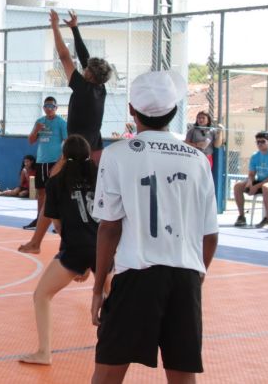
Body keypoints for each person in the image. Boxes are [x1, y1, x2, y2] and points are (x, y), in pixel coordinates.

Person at [90, 70, 219, 384]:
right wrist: (196, 275)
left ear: (132, 110)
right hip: (185, 276)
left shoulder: (117, 154)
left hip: (137, 274)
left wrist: (97, 288)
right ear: (174, 111)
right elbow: (210, 235)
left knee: (108, 371)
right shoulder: (198, 159)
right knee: (182, 374)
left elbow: (109, 227)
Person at [19, 135, 109, 366]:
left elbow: (56, 223)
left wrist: (77, 262)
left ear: (63, 155)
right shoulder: (101, 178)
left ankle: (44, 352)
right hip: (104, 246)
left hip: (76, 248)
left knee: (42, 295)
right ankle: (117, 350)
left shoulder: (57, 182)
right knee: (113, 298)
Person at [50, 9, 112, 164]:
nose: (84, 68)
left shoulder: (83, 88)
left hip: (78, 147)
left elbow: (64, 57)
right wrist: (74, 28)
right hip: (95, 144)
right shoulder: (100, 88)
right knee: (94, 181)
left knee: (58, 179)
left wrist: (55, 27)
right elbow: (85, 57)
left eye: (86, 69)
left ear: (90, 75)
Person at [19, 96, 68, 252]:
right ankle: (38, 220)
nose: (49, 108)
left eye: (52, 106)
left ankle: (59, 223)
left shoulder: (61, 123)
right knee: (41, 193)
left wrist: (62, 160)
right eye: (46, 106)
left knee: (56, 194)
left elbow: (67, 141)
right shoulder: (40, 121)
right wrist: (36, 130)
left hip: (55, 162)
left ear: (56, 107)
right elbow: (31, 140)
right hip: (41, 161)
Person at [232, 131, 268, 228]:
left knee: (266, 187)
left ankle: (267, 219)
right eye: (258, 142)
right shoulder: (255, 156)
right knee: (238, 186)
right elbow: (252, 174)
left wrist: (256, 186)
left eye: (262, 141)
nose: (260, 144)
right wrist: (249, 182)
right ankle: (241, 216)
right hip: (261, 181)